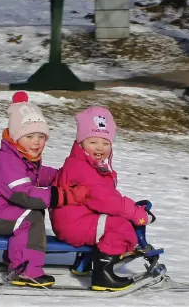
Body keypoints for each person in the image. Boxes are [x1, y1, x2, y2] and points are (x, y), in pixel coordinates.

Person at [0, 92, 88, 288]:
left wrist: (62, 176)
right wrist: (63, 195)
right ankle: (26, 271)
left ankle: (16, 256)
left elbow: (38, 175)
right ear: (15, 137)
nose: (37, 142)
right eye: (30, 136)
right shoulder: (7, 161)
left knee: (32, 213)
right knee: (30, 217)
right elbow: (24, 194)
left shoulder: (21, 156)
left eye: (41, 136)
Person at [49, 106, 155, 291]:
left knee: (116, 220)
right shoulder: (82, 169)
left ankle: (84, 264)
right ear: (81, 143)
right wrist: (138, 215)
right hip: (74, 224)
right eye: (93, 142)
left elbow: (105, 199)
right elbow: (107, 201)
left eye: (105, 143)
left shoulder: (91, 164)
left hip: (77, 219)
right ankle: (103, 276)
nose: (100, 148)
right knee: (120, 227)